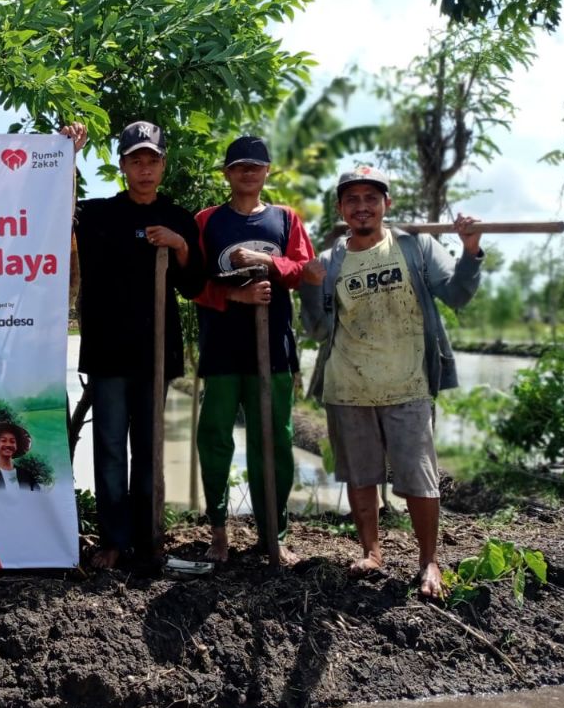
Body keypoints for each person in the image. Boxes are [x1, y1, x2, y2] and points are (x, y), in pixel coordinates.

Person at [300, 166, 483, 598]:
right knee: (360, 475)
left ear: (387, 203)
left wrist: (470, 250)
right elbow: (318, 330)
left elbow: (456, 295)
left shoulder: (416, 246)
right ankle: (371, 550)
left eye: (371, 197)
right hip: (348, 385)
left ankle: (429, 561)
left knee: (420, 478)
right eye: (352, 199)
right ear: (341, 208)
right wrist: (309, 288)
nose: (362, 206)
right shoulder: (332, 261)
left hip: (408, 383)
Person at [73, 121, 206, 570]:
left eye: (152, 160)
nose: (144, 169)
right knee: (110, 448)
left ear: (164, 165)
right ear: (123, 166)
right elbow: (54, 210)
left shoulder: (177, 217)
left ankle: (150, 539)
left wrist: (180, 245)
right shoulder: (98, 216)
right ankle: (113, 540)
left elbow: (193, 286)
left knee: (149, 450)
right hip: (109, 355)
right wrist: (66, 156)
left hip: (156, 355)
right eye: (135, 161)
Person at [193, 136, 315, 565]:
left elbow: (305, 271)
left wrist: (268, 263)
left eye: (256, 166)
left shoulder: (285, 220)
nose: (248, 173)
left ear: (267, 172)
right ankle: (219, 531)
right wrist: (236, 299)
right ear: (227, 173)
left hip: (274, 352)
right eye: (239, 166)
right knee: (214, 439)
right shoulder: (207, 221)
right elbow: (192, 285)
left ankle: (273, 535)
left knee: (275, 442)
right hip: (222, 352)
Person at [0, 422, 40, 490]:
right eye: (3, 440)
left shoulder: (26, 475)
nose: (8, 444)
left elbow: (38, 497)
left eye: (12, 441)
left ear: (16, 446)